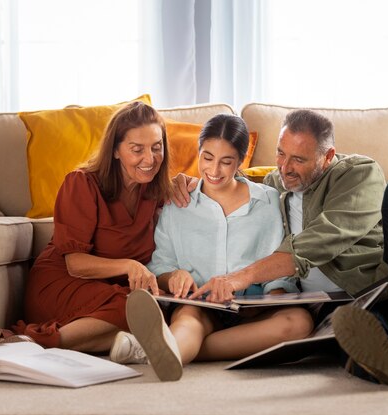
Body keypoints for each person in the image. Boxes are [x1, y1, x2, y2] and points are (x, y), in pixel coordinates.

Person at [172, 109, 388, 389]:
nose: (285, 168)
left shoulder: (358, 173)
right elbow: (229, 182)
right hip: (337, 312)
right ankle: (375, 354)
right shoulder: (273, 185)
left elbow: (323, 238)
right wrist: (191, 182)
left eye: (299, 160)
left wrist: (242, 277)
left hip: (385, 291)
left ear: (327, 155)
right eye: (281, 153)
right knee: (354, 334)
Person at [125, 114, 314, 381]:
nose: (214, 171)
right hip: (198, 307)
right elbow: (160, 266)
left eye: (226, 162)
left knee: (299, 322)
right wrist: (173, 276)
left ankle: (159, 350)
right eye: (207, 158)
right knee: (189, 319)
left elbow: (279, 263)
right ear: (198, 152)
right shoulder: (178, 201)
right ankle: (174, 349)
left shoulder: (268, 201)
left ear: (240, 160)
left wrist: (275, 296)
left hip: (251, 310)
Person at [0, 101, 170, 364]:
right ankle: (39, 343)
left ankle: (107, 341)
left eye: (157, 147)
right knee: (138, 307)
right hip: (61, 282)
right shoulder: (82, 183)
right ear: (116, 151)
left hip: (108, 291)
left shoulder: (158, 191)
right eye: (137, 150)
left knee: (164, 306)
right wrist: (130, 266)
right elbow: (75, 264)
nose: (150, 159)